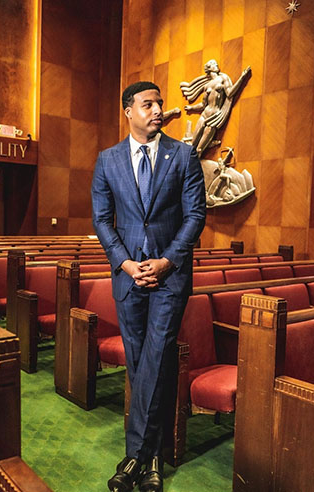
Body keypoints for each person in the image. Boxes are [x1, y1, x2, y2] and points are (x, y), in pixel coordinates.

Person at [91, 81, 206, 492]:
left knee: (156, 356)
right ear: (128, 111)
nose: (158, 110)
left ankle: (135, 457)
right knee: (141, 362)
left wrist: (166, 261)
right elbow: (103, 221)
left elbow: (195, 216)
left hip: (169, 277)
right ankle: (152, 456)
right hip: (128, 276)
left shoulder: (184, 155)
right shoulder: (107, 160)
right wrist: (124, 263)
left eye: (159, 103)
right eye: (148, 104)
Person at [180, 59, 251, 157]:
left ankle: (194, 169)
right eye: (213, 64)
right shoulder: (207, 86)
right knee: (192, 144)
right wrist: (192, 108)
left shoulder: (223, 78)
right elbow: (203, 104)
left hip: (214, 118)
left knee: (199, 149)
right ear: (208, 69)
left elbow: (230, 93)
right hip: (204, 115)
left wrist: (242, 78)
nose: (216, 64)